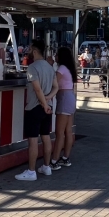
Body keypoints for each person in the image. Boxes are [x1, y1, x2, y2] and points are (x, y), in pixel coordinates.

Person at [15, 40, 59, 181]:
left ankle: (31, 171)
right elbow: (56, 87)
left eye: (30, 50)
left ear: (34, 50)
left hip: (35, 107)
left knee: (33, 140)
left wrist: (43, 102)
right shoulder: (49, 67)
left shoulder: (32, 68)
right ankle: (46, 167)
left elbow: (37, 88)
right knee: (46, 136)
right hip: (48, 108)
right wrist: (48, 100)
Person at [50, 46, 78, 169]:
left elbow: (53, 82)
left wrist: (50, 65)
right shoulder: (69, 69)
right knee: (68, 131)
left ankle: (54, 161)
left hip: (64, 98)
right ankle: (65, 158)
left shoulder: (61, 69)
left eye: (56, 55)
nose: (55, 56)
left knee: (60, 132)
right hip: (70, 97)